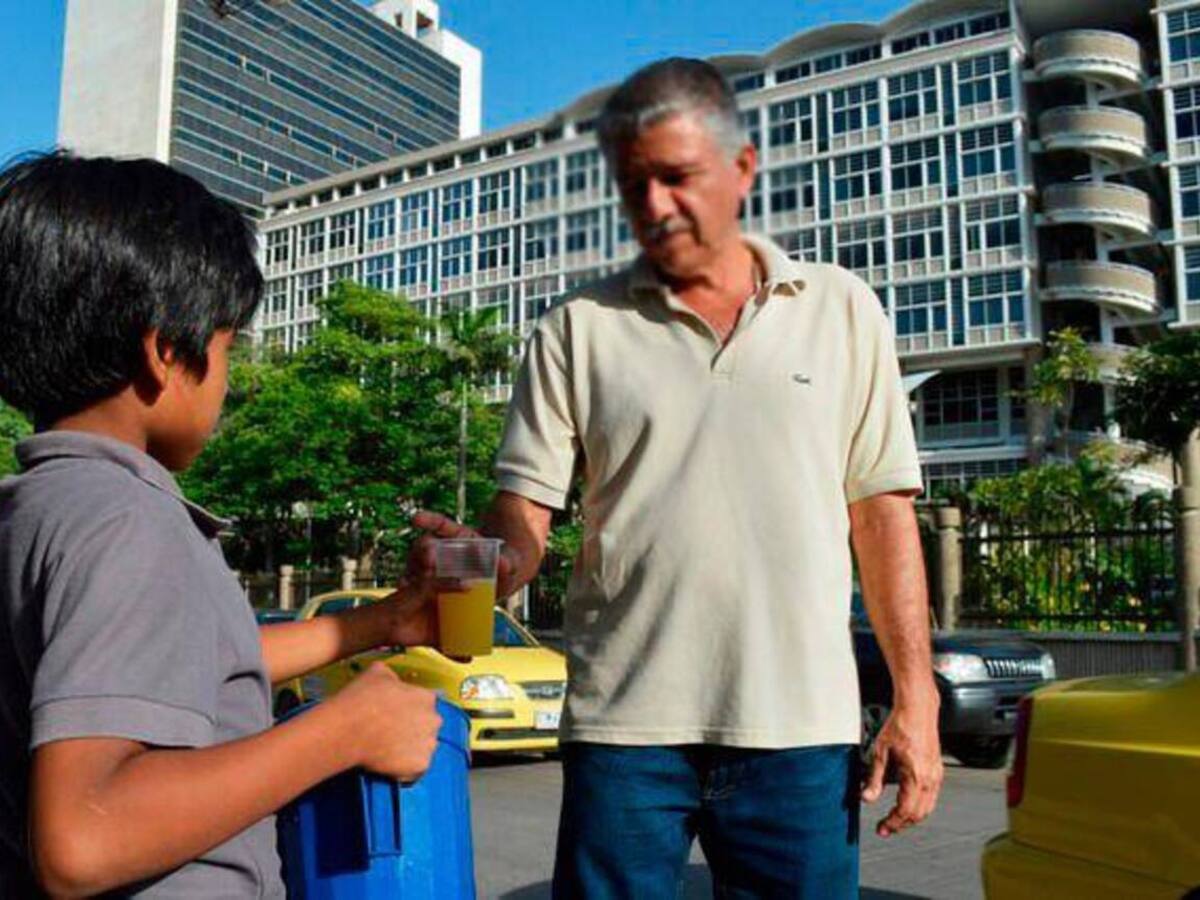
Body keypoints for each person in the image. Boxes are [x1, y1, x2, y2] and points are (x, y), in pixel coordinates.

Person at [414, 58, 943, 898]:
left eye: (677, 176)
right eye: (635, 185)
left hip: (801, 731)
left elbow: (883, 519)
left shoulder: (843, 310)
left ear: (741, 170)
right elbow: (526, 518)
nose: (656, 206)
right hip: (628, 733)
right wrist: (487, 558)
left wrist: (917, 699)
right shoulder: (576, 331)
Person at [0, 153, 444, 898]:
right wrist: (342, 732)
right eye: (227, 347)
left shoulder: (40, 507)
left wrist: (381, 623)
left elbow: (184, 666)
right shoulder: (127, 521)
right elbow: (82, 835)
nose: (229, 378)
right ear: (164, 353)